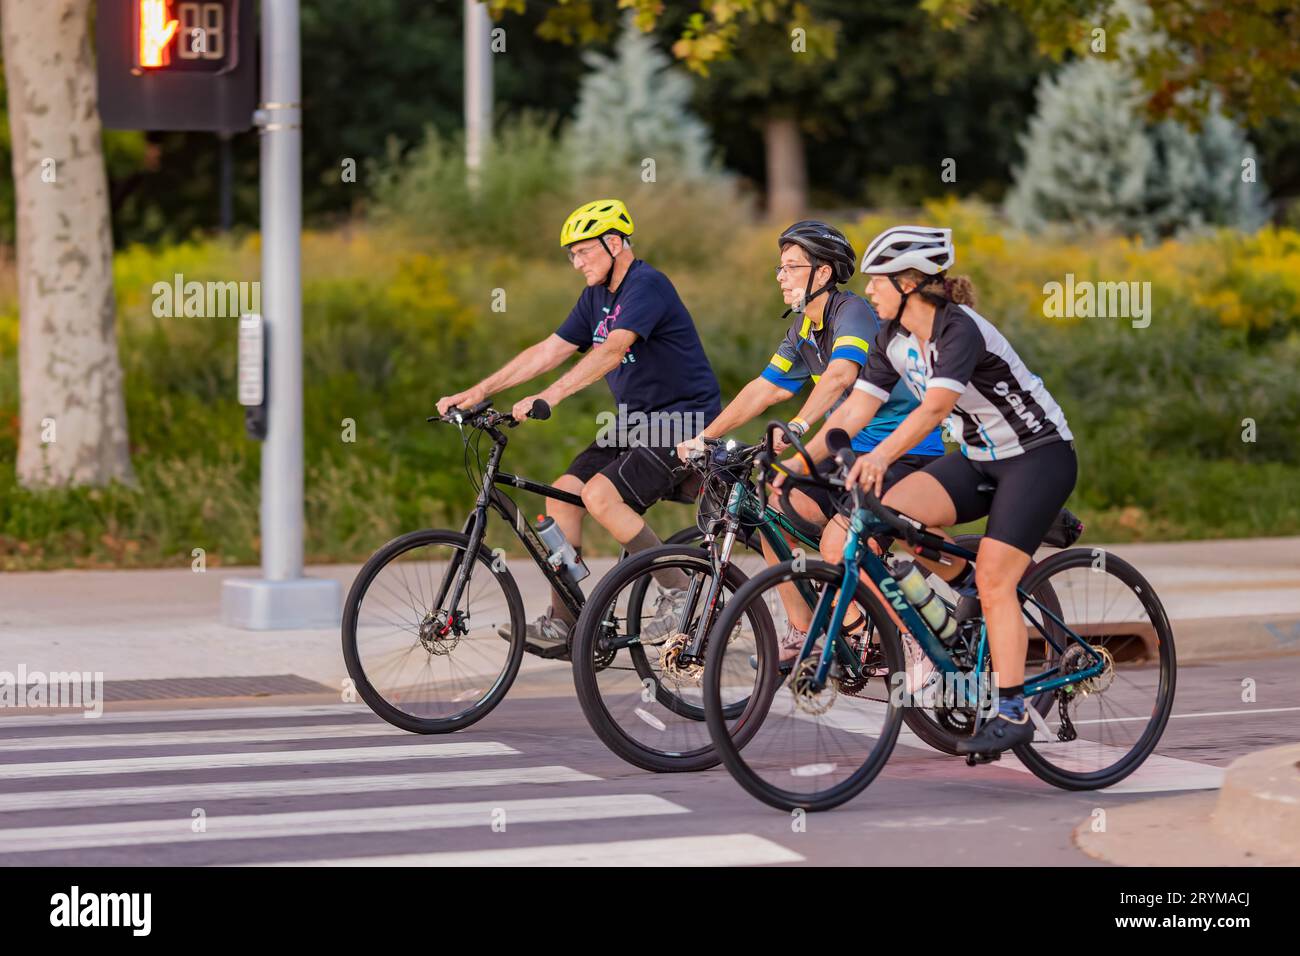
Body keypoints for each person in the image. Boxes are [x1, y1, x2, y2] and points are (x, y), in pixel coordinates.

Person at [799, 225, 1078, 755]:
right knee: (884, 516)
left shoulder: (959, 330)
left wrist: (880, 456)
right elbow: (856, 411)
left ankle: (1014, 709)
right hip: (980, 458)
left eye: (879, 281)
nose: (870, 290)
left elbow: (936, 408)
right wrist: (790, 462)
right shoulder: (890, 338)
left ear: (909, 282)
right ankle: (967, 584)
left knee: (996, 583)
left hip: (1037, 456)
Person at [437, 199, 722, 650]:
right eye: (571, 254)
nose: (576, 262)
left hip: (683, 419)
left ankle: (680, 593)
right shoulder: (595, 297)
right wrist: (478, 391)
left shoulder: (646, 285)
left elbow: (610, 350)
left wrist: (549, 396)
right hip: (633, 422)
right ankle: (566, 620)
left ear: (614, 243)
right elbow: (548, 350)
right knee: (563, 499)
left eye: (583, 251)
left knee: (599, 495)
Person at [677, 221, 944, 665]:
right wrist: (707, 437)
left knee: (834, 546)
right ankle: (806, 634)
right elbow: (767, 388)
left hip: (901, 451)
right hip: (847, 451)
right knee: (771, 512)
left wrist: (799, 426)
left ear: (822, 274)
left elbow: (842, 372)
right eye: (778, 268)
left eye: (790, 267)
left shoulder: (851, 312)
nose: (780, 276)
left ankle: (905, 640)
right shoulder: (804, 328)